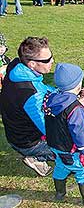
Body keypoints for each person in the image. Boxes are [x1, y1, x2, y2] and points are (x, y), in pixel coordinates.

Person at [43, 63, 84, 206]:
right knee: (82, 170)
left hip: (54, 144)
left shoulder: (50, 98)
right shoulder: (75, 109)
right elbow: (79, 133)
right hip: (71, 148)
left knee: (61, 166)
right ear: (77, 84)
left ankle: (59, 193)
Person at [0, 37, 56, 177]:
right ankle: (36, 157)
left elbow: (41, 87)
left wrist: (61, 94)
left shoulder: (17, 66)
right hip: (28, 143)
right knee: (70, 148)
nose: (52, 61)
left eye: (51, 56)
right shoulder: (31, 95)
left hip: (14, 132)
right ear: (32, 64)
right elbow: (49, 129)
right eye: (47, 60)